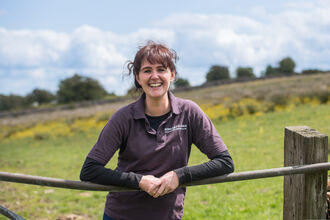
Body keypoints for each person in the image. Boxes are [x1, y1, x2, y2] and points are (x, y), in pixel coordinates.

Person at [80, 41, 234, 220]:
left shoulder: (189, 113)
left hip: (168, 215)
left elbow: (225, 162)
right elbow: (89, 170)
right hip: (121, 215)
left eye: (161, 69)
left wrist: (179, 175)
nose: (154, 76)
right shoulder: (123, 118)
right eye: (147, 70)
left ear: (172, 75)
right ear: (138, 78)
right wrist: (139, 181)